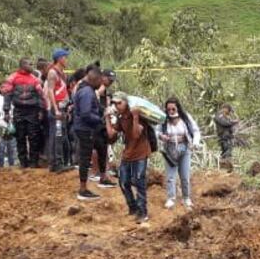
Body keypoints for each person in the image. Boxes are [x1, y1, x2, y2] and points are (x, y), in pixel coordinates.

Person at [107, 93, 152, 223]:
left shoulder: (138, 116)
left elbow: (136, 134)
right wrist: (107, 119)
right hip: (128, 153)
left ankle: (143, 212)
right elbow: (111, 135)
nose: (117, 106)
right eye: (115, 103)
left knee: (139, 182)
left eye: (119, 103)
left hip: (140, 153)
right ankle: (133, 208)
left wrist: (136, 117)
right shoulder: (121, 118)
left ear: (126, 103)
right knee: (123, 181)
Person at [4, 58, 47, 170]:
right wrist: (6, 111)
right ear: (23, 65)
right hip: (18, 111)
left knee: (34, 137)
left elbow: (41, 96)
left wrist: (41, 110)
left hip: (32, 112)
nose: (32, 65)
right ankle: (23, 162)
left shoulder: (35, 80)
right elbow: (7, 95)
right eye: (30, 64)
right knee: (20, 137)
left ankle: (33, 162)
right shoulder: (12, 78)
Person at [72, 67, 104, 202]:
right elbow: (86, 113)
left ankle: (84, 187)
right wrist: (99, 119)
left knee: (89, 154)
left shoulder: (85, 89)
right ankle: (83, 189)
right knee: (85, 158)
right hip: (85, 128)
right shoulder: (87, 92)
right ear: (94, 79)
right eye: (100, 81)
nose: (101, 85)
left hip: (84, 127)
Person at [160, 97, 198, 209]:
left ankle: (186, 198)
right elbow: (156, 131)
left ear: (178, 108)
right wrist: (161, 136)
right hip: (169, 148)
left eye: (173, 109)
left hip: (184, 148)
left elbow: (195, 130)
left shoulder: (185, 118)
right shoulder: (163, 119)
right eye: (168, 109)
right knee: (170, 176)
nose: (171, 111)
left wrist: (195, 143)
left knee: (185, 176)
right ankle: (171, 198)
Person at [44, 49, 72, 173]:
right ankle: (56, 163)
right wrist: (55, 109)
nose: (67, 60)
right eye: (65, 57)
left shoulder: (62, 73)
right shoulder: (52, 72)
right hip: (57, 109)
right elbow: (50, 91)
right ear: (60, 58)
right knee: (57, 135)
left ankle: (57, 162)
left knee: (60, 135)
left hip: (63, 107)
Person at [0, 90, 16, 168]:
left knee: (11, 145)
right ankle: (1, 165)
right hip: (0, 123)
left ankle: (11, 165)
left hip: (10, 124)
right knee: (1, 145)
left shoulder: (13, 98)